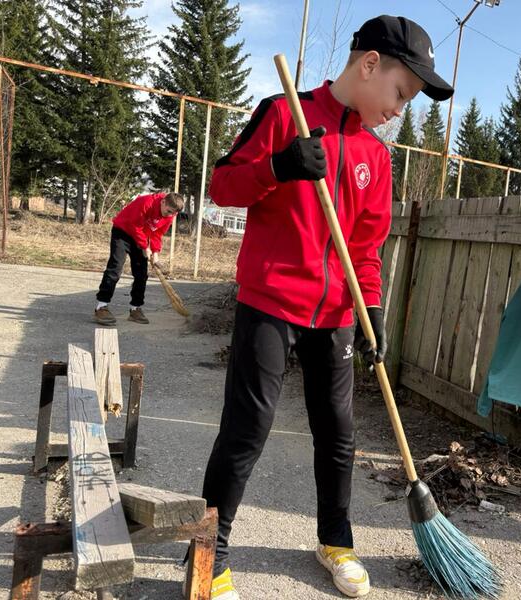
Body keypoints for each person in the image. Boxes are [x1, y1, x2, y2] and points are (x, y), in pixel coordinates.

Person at [198, 15, 453, 599]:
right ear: (369, 65)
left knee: (338, 432)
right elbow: (222, 187)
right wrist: (278, 167)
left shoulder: (377, 159)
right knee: (247, 430)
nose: (399, 109)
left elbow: (365, 250)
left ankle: (335, 540)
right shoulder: (283, 114)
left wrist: (373, 311)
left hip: (335, 314)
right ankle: (211, 550)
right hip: (270, 302)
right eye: (401, 93)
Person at [94, 191, 183, 325]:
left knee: (141, 274)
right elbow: (134, 226)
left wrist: (156, 253)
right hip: (122, 232)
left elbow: (157, 233)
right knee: (115, 269)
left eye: (173, 213)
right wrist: (145, 247)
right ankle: (101, 307)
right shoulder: (146, 202)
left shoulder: (170, 215)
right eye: (168, 211)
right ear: (163, 202)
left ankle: (135, 308)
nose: (169, 215)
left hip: (140, 237)